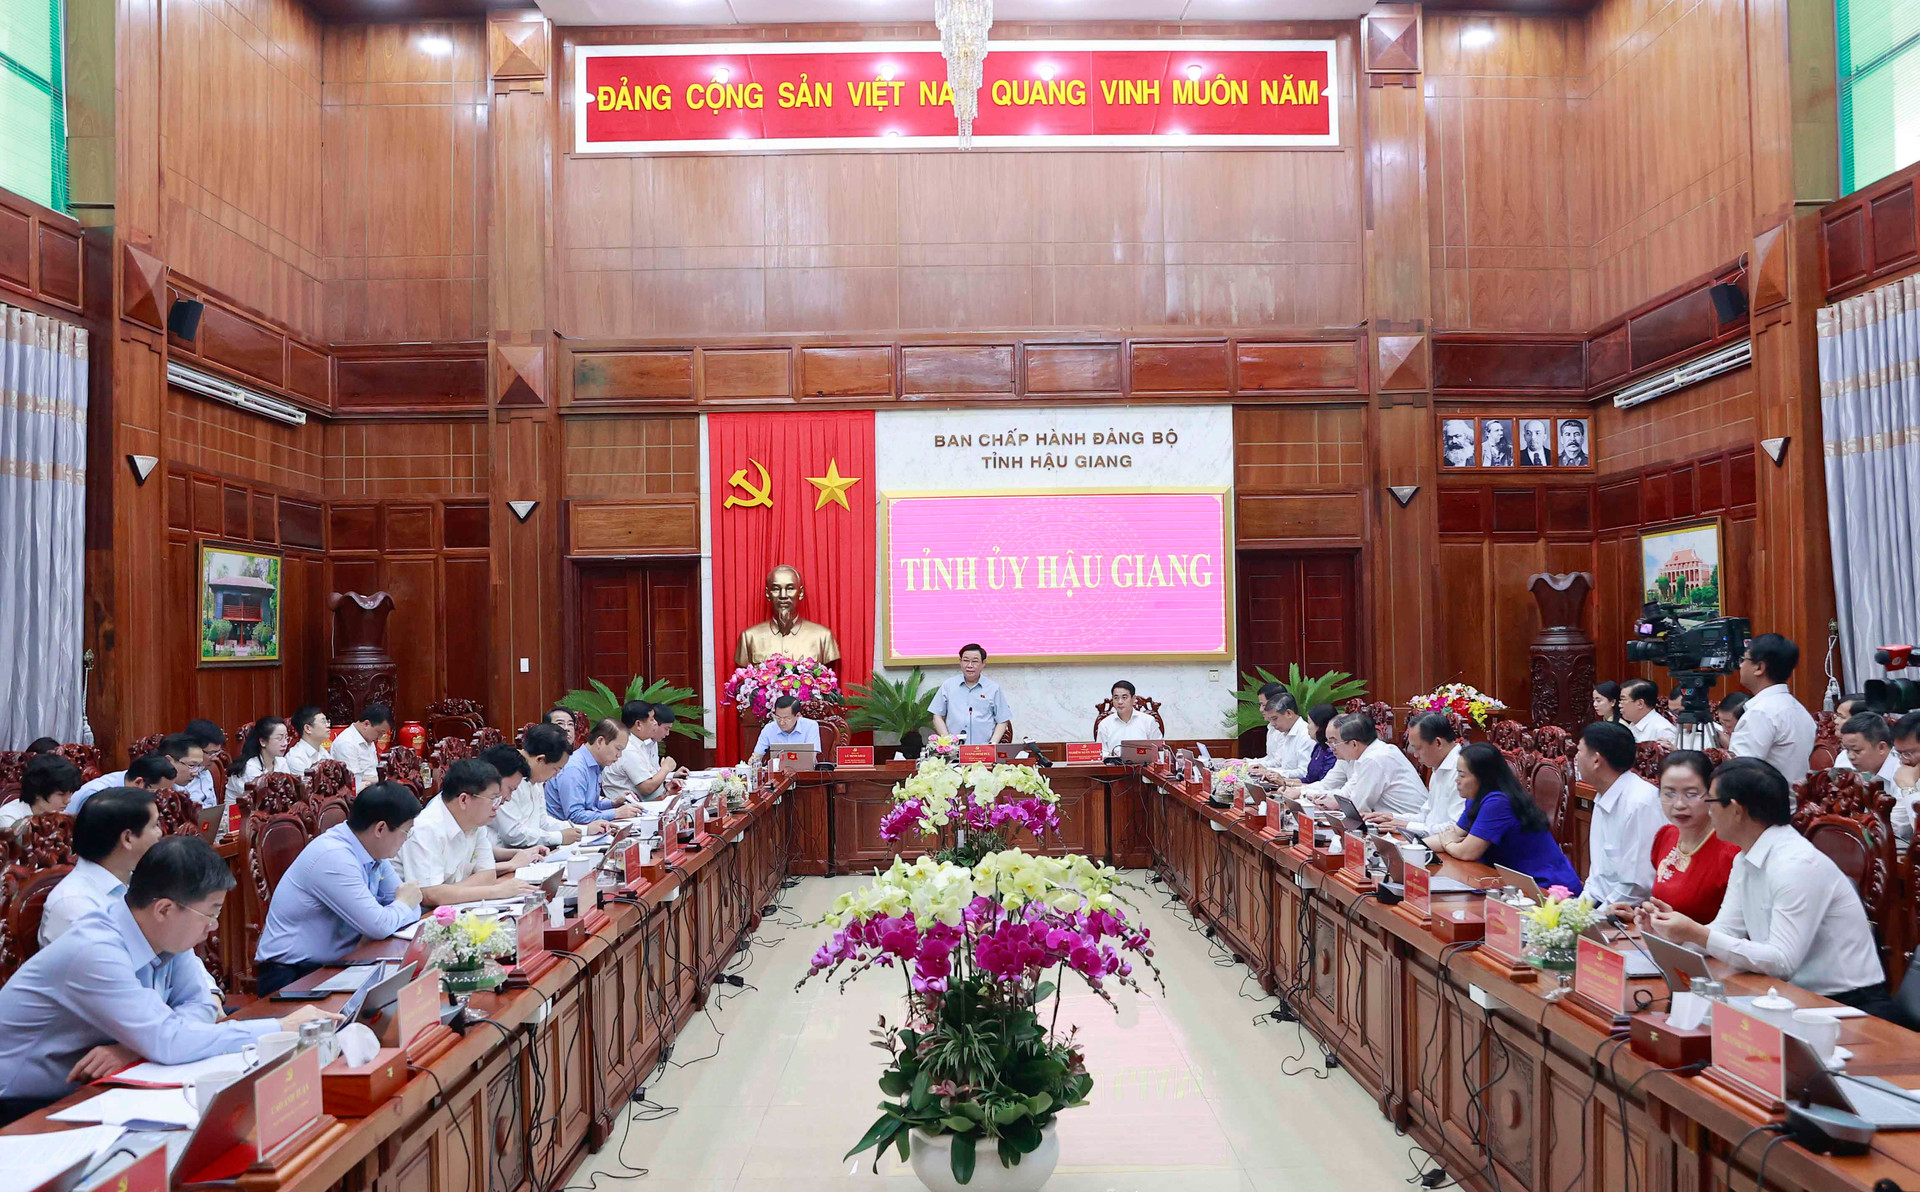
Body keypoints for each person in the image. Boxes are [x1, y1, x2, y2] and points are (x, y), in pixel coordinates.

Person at [0, 836, 336, 1123]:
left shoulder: (165, 934)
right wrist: (280, 1028)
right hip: (24, 1106)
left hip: (100, 1085)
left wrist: (134, 1046)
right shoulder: (95, 950)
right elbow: (169, 1041)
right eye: (211, 911)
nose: (214, 925)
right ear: (163, 909)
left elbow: (199, 1004)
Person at [1643, 758, 1893, 1016]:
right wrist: (1672, 932)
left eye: (1711, 802)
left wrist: (1696, 933)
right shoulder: (1745, 857)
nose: (1708, 811)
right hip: (1786, 994)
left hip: (1845, 1005)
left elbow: (1782, 962)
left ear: (1736, 810)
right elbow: (1727, 929)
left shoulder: (1796, 865)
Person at [254, 783, 425, 996]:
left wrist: (402, 905)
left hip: (340, 964)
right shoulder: (333, 857)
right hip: (292, 976)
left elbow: (411, 907)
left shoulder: (371, 849)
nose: (405, 840)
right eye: (405, 832)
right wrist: (402, 904)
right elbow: (383, 923)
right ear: (380, 828)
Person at [1423, 744, 1581, 893]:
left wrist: (1448, 843)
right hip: (1514, 884)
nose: (1457, 780)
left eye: (1462, 775)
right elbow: (1457, 833)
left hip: (1547, 888)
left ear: (1482, 777)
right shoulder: (1476, 798)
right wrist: (1415, 846)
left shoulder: (1498, 802)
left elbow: (1466, 852)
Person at [1606, 751, 1738, 923]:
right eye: (1669, 794)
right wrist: (1638, 916)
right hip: (1666, 944)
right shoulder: (1666, 836)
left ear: (1711, 793)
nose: (1679, 804)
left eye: (1691, 794)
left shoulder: (1730, 852)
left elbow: (1735, 930)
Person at [395, 760, 543, 906]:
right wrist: (496, 891)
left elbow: (488, 875)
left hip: (451, 908)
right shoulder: (426, 828)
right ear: (464, 800)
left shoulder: (476, 823)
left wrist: (446, 893)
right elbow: (429, 896)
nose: (497, 806)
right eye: (493, 799)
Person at [39, 788, 165, 947]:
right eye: (154, 825)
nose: (160, 833)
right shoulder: (75, 905)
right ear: (127, 838)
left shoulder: (136, 879)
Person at [1574, 721, 1666, 906]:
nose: (1575, 758)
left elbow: (1637, 887)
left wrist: (1596, 919)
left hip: (1632, 915)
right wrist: (1577, 914)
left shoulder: (1640, 802)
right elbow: (1597, 877)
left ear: (1596, 760)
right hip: (1603, 910)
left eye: (1579, 751)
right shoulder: (1603, 795)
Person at [493, 727, 607, 849]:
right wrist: (559, 837)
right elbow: (513, 834)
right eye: (556, 769)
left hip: (531, 851)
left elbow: (543, 822)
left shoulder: (536, 777)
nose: (555, 776)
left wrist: (584, 829)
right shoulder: (509, 776)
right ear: (540, 759)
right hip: (505, 855)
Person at [1728, 633, 1817, 784]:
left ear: (1759, 667)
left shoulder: (1761, 713)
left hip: (1766, 805)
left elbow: (1738, 775)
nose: (1741, 665)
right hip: (1793, 803)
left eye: (1744, 659)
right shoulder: (1798, 709)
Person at [1302, 713, 1425, 818]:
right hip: (1392, 822)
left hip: (1408, 826)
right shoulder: (1372, 754)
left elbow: (1357, 808)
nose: (1332, 747)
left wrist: (1335, 803)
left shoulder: (1375, 759)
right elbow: (1349, 792)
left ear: (1354, 744)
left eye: (1335, 742)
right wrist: (1326, 799)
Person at [1366, 712, 1464, 838]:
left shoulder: (1463, 770)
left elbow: (1456, 829)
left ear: (1438, 743)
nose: (1416, 755)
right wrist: (1391, 817)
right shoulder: (1438, 766)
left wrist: (1407, 826)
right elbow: (1426, 817)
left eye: (1418, 748)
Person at [70, 735, 199, 816]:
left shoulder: (155, 784)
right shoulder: (97, 796)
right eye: (158, 793)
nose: (162, 799)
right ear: (139, 783)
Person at [547, 719, 639, 825]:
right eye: (618, 749)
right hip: (566, 834)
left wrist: (614, 803)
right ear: (600, 741)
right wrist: (616, 813)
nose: (619, 755)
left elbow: (590, 806)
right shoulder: (575, 768)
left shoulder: (594, 765)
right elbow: (575, 816)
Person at [930, 644, 1012, 745]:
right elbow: (937, 715)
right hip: (954, 750)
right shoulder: (948, 685)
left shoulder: (993, 688)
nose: (969, 665)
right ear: (960, 662)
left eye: (975, 661)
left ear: (983, 663)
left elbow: (1002, 719)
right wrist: (947, 741)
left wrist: (992, 744)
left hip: (983, 749)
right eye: (965, 660)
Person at [602, 700, 678, 802]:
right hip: (629, 809)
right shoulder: (628, 748)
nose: (655, 723)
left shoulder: (640, 743)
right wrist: (666, 768)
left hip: (649, 802)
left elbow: (651, 776)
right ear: (638, 724)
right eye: (651, 719)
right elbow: (647, 788)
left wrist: (665, 785)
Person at [0, 754, 82, 830]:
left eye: (71, 793)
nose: (68, 800)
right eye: (61, 794)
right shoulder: (9, 821)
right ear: (38, 792)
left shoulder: (62, 816)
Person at [1249, 686, 1311, 780]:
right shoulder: (1285, 732)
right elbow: (1284, 766)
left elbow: (1304, 772)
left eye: (1275, 719)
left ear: (1288, 713)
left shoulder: (1306, 735)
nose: (1273, 724)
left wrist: (1270, 772)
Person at [226, 716, 291, 802]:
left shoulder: (281, 762)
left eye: (286, 738)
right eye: (279, 738)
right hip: (236, 812)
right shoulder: (249, 768)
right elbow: (261, 800)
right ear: (263, 741)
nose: (285, 743)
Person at [332, 703, 392, 793]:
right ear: (366, 724)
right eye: (380, 732)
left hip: (375, 789)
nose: (380, 737)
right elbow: (352, 779)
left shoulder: (368, 738)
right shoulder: (346, 743)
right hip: (360, 794)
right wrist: (379, 779)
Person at [1097, 680, 1163, 756]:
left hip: (1144, 766)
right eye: (1116, 698)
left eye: (1124, 697)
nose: (1120, 702)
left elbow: (1159, 749)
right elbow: (1101, 752)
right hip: (1114, 766)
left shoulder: (1148, 721)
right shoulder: (1105, 724)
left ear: (1133, 699)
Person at [751, 695, 822, 762]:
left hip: (804, 772)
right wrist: (752, 762)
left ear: (797, 715)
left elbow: (811, 758)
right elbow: (757, 755)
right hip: (778, 773)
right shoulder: (769, 729)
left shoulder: (810, 726)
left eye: (786, 718)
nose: (781, 722)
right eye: (778, 717)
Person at [180, 720, 226, 809]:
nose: (215, 758)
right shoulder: (179, 777)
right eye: (211, 753)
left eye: (217, 753)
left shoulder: (206, 771)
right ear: (194, 748)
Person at [1890, 713, 1920, 848]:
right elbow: (1897, 828)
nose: (1904, 760)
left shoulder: (1907, 779)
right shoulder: (1909, 771)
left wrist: (1909, 788)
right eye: (1899, 753)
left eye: (1909, 753)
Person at [1620, 678, 1678, 746]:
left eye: (1623, 700)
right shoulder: (1633, 725)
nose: (1620, 705)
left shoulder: (1663, 730)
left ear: (1640, 703)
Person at [283, 706, 332, 777]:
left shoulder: (322, 750)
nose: (328, 725)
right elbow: (308, 786)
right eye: (323, 721)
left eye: (327, 721)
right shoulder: (296, 758)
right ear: (308, 728)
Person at [1300, 704, 1341, 786]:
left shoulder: (1333, 751)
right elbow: (1308, 780)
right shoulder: (1319, 746)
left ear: (1320, 725)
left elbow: (1324, 785)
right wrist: (1284, 782)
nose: (1307, 727)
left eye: (1309, 723)